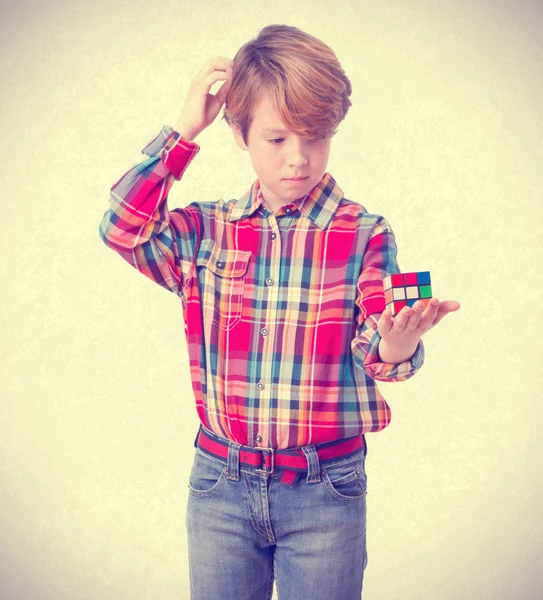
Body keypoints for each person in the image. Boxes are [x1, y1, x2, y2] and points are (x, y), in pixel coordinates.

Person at [99, 24, 460, 600]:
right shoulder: (204, 229)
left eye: (315, 137)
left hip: (326, 489)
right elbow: (119, 229)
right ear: (239, 134)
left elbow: (379, 347)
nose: (299, 158)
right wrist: (182, 132)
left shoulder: (365, 232)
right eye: (277, 140)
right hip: (220, 483)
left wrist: (397, 341)